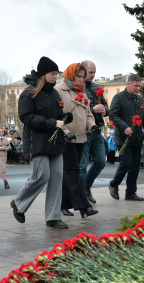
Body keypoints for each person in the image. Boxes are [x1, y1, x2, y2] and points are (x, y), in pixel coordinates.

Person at [10, 56, 70, 229]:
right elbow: (26, 117)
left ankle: (53, 217)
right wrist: (51, 123)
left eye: (57, 74)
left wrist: (65, 117)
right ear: (43, 74)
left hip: (56, 143)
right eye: (52, 73)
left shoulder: (54, 93)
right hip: (38, 143)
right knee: (41, 176)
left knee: (57, 177)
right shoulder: (29, 93)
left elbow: (57, 116)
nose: (55, 77)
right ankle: (18, 204)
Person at [55, 62, 98, 219]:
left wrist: (92, 126)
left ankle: (63, 204)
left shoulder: (83, 93)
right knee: (73, 172)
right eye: (78, 76)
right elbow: (56, 116)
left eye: (83, 77)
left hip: (81, 138)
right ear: (70, 75)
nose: (81, 80)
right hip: (66, 139)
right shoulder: (58, 91)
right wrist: (65, 132)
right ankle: (84, 206)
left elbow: (88, 114)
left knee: (69, 174)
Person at [108, 74, 144, 201]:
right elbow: (113, 115)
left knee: (135, 166)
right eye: (136, 86)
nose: (138, 88)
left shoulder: (140, 100)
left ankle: (131, 193)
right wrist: (124, 127)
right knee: (126, 163)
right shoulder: (119, 98)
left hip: (137, 138)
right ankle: (113, 184)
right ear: (128, 84)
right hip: (123, 137)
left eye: (140, 86)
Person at [79, 61, 109, 204]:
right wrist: (93, 110)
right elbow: (78, 110)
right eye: (90, 72)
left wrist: (104, 110)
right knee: (82, 166)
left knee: (101, 162)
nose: (93, 75)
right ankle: (83, 193)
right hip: (84, 131)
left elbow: (106, 106)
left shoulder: (97, 87)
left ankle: (87, 187)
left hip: (97, 130)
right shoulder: (77, 87)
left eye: (94, 72)